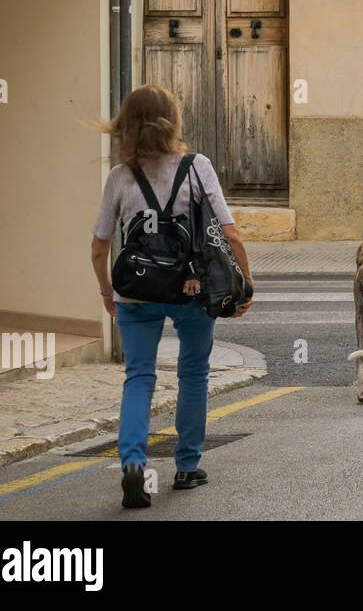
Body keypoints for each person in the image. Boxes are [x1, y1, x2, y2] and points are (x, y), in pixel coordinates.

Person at [90, 85, 253, 509]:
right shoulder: (197, 167)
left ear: (125, 124)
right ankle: (186, 467)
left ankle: (132, 463)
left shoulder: (120, 177)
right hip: (192, 291)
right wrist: (244, 283)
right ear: (173, 120)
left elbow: (99, 246)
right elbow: (230, 232)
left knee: (139, 376)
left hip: (136, 292)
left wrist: (108, 291)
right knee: (194, 373)